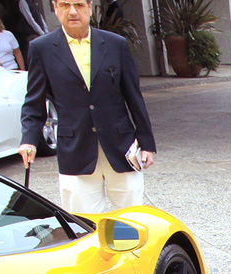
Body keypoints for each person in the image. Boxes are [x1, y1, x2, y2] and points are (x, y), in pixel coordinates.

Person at [19, 0, 156, 214]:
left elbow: (133, 96)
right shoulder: (41, 48)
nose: (72, 11)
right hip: (75, 151)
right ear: (55, 9)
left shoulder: (115, 44)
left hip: (121, 146)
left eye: (79, 5)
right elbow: (33, 102)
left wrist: (147, 143)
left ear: (90, 8)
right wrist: (28, 140)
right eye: (65, 5)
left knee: (132, 219)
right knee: (84, 223)